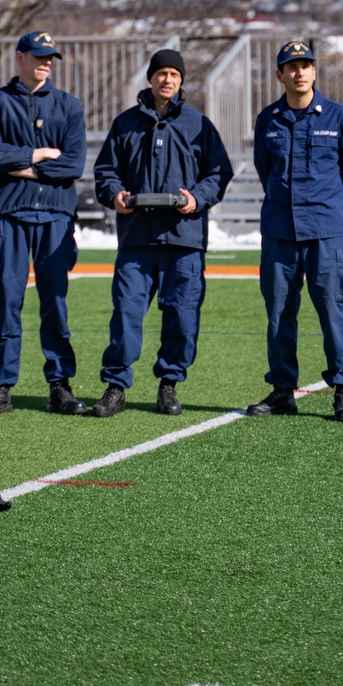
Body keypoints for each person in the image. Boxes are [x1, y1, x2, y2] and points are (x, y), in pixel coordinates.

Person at [91, 48, 233, 418]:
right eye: (161, 73)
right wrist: (115, 195)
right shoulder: (125, 124)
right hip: (137, 238)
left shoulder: (199, 125)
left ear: (182, 80)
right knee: (126, 312)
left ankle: (169, 384)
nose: (167, 79)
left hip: (183, 239)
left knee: (182, 316)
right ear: (150, 78)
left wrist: (196, 198)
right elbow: (106, 172)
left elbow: (218, 174)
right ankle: (116, 386)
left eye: (174, 74)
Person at [246, 39, 343, 422]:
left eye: (306, 65)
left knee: (333, 310)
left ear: (314, 71)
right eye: (291, 66)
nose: (299, 72)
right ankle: (283, 390)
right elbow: (266, 172)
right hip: (280, 231)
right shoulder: (268, 119)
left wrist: (328, 209)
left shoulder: (338, 118)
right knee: (279, 312)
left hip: (325, 233)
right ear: (280, 74)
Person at [0, 32, 88, 416]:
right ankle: (2, 385)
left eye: (50, 57)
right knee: (8, 302)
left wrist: (18, 168)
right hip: (10, 216)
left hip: (55, 216)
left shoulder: (69, 105)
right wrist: (38, 155)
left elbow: (72, 165)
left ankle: (60, 385)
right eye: (38, 56)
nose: (45, 63)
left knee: (54, 304)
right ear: (19, 57)